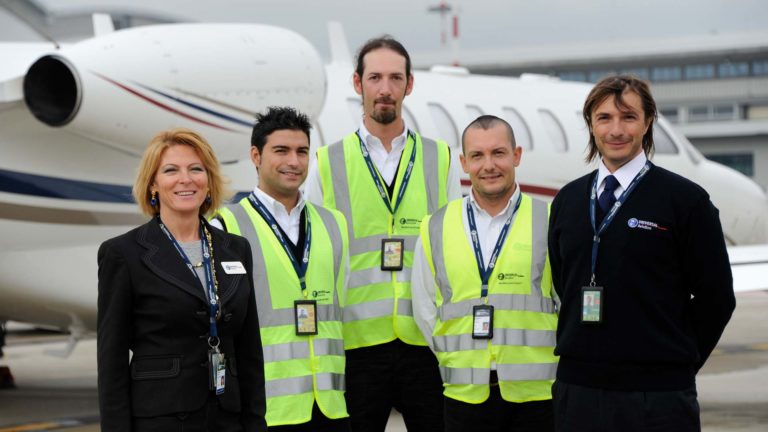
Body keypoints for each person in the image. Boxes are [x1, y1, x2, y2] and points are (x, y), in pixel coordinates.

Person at [548, 75, 735, 431]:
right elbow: (564, 282)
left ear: (648, 122)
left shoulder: (685, 201)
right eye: (604, 118)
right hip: (578, 392)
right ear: (590, 123)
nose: (616, 129)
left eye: (628, 117)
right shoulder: (568, 201)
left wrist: (675, 361)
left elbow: (717, 298)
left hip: (658, 396)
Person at [305, 35, 462, 431]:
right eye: (375, 77)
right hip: (358, 345)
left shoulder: (439, 158)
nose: (385, 89)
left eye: (395, 78)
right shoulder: (327, 162)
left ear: (409, 85)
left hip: (423, 343)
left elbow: (454, 250)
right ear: (358, 84)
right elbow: (315, 256)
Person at [97, 128, 267, 431]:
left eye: (196, 169)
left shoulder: (236, 249)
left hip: (227, 418)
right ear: (153, 184)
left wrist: (255, 423)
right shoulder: (123, 254)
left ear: (209, 181)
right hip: (160, 420)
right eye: (171, 170)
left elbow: (249, 349)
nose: (185, 179)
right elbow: (111, 363)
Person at [412, 115, 558, 432]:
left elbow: (566, 302)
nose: (488, 165)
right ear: (464, 162)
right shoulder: (435, 225)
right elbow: (424, 308)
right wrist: (452, 359)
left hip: (536, 397)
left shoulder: (549, 219)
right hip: (464, 397)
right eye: (477, 156)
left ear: (516, 155)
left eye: (498, 153)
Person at [213, 107, 351, 431]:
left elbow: (339, 304)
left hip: (329, 406)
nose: (294, 161)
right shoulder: (226, 226)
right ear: (256, 156)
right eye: (281, 151)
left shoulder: (334, 224)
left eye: (302, 151)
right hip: (266, 409)